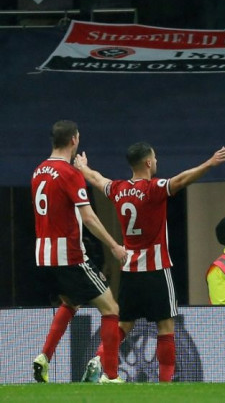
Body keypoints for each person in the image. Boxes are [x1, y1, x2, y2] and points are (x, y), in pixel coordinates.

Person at [75, 143, 225, 383]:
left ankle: (99, 358)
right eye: (155, 158)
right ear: (148, 162)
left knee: (125, 324)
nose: (157, 161)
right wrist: (209, 163)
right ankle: (165, 382)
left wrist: (83, 168)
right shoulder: (155, 188)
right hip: (156, 269)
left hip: (129, 270)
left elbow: (97, 180)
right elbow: (181, 180)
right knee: (166, 326)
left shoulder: (118, 189)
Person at [31, 120, 127, 384]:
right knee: (111, 309)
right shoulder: (69, 174)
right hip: (69, 256)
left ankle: (44, 357)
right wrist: (114, 245)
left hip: (43, 256)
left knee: (70, 303)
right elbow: (89, 218)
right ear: (74, 140)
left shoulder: (39, 171)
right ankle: (110, 374)